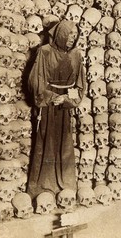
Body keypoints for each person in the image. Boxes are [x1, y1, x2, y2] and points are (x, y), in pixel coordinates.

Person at [27, 20, 86, 199]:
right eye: (69, 35)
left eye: (75, 36)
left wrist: (68, 100)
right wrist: (53, 98)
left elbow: (80, 84)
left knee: (66, 145)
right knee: (47, 144)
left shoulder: (76, 55)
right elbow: (35, 82)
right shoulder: (44, 52)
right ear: (60, 34)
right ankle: (44, 187)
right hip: (48, 105)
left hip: (65, 105)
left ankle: (65, 185)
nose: (72, 39)